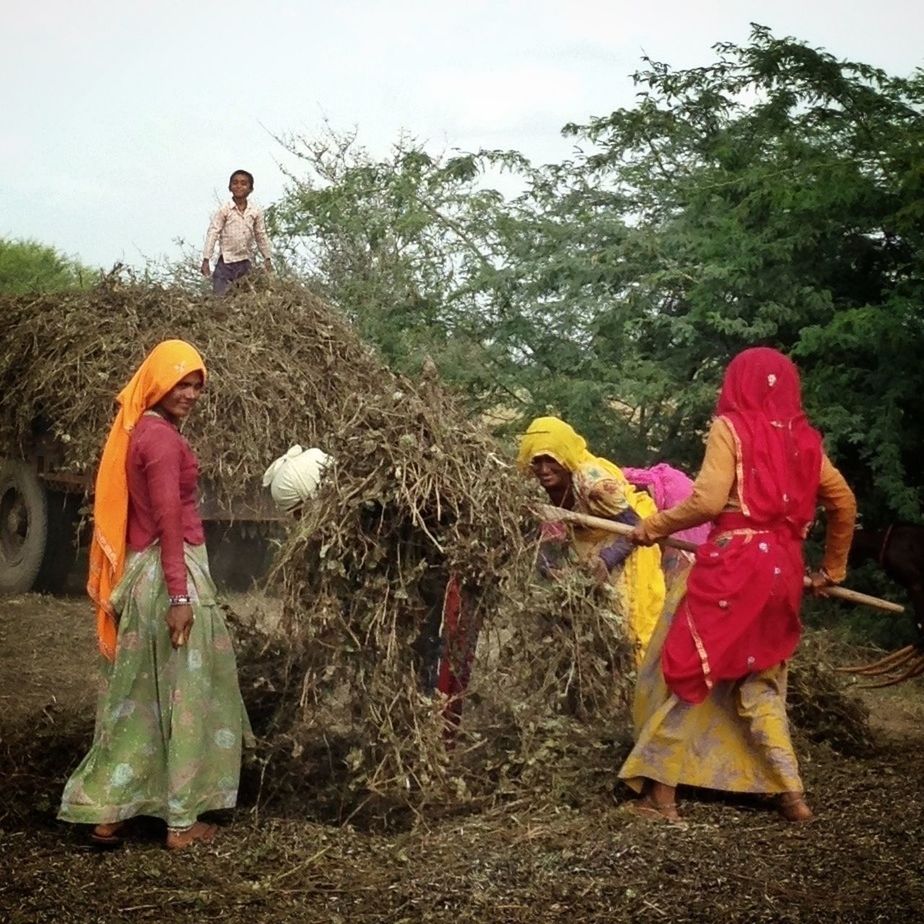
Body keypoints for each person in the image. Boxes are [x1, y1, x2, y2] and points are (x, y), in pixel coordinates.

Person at [618, 347, 856, 824]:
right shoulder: (806, 440)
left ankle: (661, 797)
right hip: (783, 573)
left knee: (692, 672)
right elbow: (844, 502)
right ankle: (793, 797)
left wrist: (655, 526)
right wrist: (831, 572)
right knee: (760, 682)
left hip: (734, 568)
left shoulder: (731, 428)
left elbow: (706, 501)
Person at [59, 340, 252, 850]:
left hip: (146, 580)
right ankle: (182, 824)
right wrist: (180, 597)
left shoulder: (142, 431)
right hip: (170, 580)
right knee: (186, 698)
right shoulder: (161, 441)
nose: (189, 393)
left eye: (196, 385)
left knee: (137, 700)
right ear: (157, 383)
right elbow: (168, 519)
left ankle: (108, 815)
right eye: (180, 383)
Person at [517, 417, 666, 660]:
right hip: (587, 540)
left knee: (624, 627)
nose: (544, 469)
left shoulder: (593, 483)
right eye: (537, 461)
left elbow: (635, 525)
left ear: (565, 457)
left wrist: (606, 560)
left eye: (551, 460)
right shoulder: (534, 484)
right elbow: (533, 534)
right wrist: (548, 567)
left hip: (627, 537)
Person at [200, 169, 273, 295]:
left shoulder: (255, 212)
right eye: (235, 183)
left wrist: (267, 258)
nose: (239, 186)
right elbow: (213, 232)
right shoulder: (225, 210)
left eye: (243, 183)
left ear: (250, 189)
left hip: (245, 262)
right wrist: (206, 259)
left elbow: (260, 235)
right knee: (220, 298)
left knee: (246, 299)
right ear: (230, 187)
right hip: (226, 263)